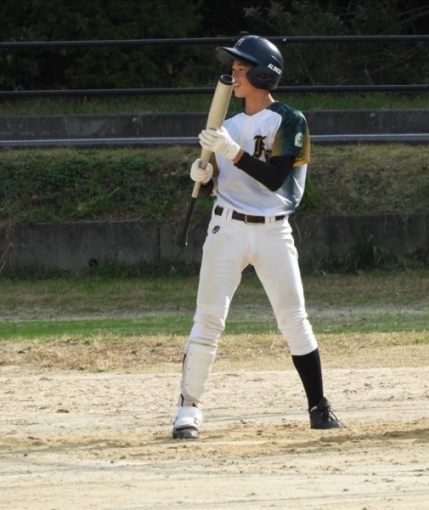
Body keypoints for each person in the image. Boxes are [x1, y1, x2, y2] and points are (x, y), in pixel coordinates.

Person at [171, 34, 343, 439]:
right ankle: (187, 410)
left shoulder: (289, 120)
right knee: (208, 319)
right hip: (226, 227)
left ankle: (319, 407)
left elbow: (275, 178)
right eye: (233, 68)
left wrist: (231, 152)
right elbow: (217, 183)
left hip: (273, 231)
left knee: (294, 319)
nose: (234, 74)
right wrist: (203, 175)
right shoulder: (226, 126)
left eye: (242, 68)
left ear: (265, 74)